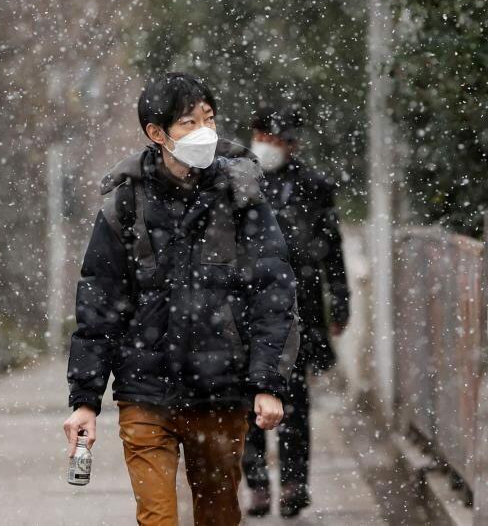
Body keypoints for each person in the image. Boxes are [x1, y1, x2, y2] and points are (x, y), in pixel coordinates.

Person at [64, 72, 300, 526]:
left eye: (208, 119)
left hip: (220, 394)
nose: (204, 132)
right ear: (157, 134)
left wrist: (268, 382)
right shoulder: (126, 204)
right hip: (145, 395)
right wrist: (86, 399)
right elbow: (98, 304)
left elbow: (273, 291)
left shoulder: (241, 196)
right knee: (157, 518)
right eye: (189, 123)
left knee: (218, 515)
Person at [242, 105, 350, 518]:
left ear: (291, 144)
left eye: (275, 140)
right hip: (246, 308)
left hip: (297, 309)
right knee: (248, 400)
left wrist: (339, 300)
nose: (267, 147)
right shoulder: (236, 182)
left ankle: (293, 484)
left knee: (295, 402)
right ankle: (256, 483)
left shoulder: (312, 187)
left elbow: (332, 251)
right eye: (261, 138)